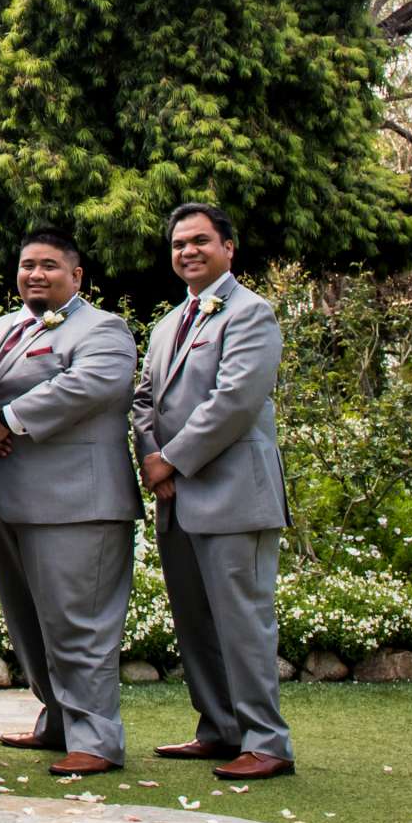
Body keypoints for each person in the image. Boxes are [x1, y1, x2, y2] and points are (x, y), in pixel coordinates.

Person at [0, 227, 140, 775]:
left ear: (76, 276)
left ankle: (96, 738)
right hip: (5, 499)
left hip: (77, 503)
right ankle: (58, 720)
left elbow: (89, 386)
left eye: (48, 266)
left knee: (79, 622)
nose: (35, 274)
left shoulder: (104, 330)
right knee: (28, 621)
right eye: (26, 266)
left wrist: (8, 420)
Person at [132, 202, 296, 780]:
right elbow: (143, 400)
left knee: (243, 622)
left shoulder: (251, 314)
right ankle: (220, 729)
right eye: (179, 244)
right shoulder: (166, 325)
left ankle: (267, 741)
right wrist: (152, 456)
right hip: (176, 497)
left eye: (200, 241)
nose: (188, 252)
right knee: (195, 622)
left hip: (232, 496)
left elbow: (234, 402)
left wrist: (170, 459)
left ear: (229, 247)